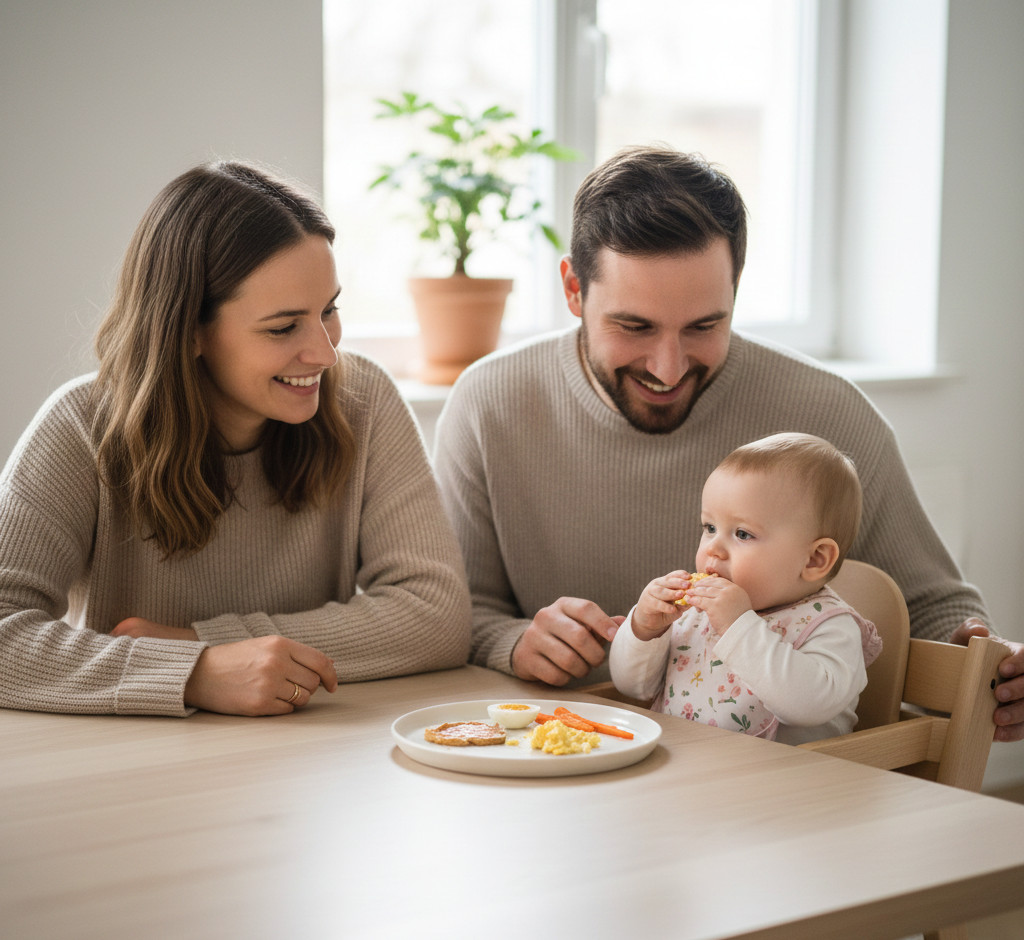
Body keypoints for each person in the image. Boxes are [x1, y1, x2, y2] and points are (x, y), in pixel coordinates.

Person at [433, 144, 1024, 743]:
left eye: (704, 326)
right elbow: (454, 612)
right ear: (573, 289)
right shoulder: (489, 403)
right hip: (552, 755)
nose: (667, 368)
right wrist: (513, 643)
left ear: (736, 289)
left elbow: (932, 606)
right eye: (634, 326)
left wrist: (987, 667)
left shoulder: (829, 412)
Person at [0, 160, 471, 717]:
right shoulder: (81, 426)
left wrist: (203, 643)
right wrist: (194, 674)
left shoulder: (363, 401)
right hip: (135, 756)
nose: (324, 353)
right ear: (188, 330)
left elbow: (437, 616)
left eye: (329, 310)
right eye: (283, 327)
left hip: (315, 749)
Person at [609, 432, 881, 744]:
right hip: (685, 765)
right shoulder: (696, 613)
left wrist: (738, 627)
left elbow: (809, 706)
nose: (713, 549)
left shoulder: (831, 626)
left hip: (788, 773)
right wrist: (645, 629)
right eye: (710, 528)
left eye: (742, 534)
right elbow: (632, 687)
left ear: (814, 559)